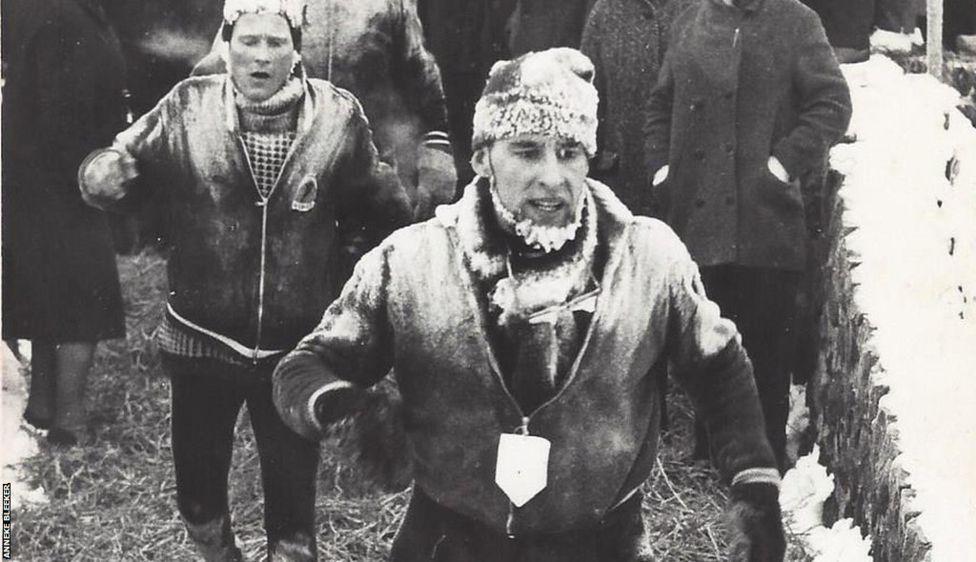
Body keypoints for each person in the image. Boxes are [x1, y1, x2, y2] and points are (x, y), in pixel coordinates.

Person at [273, 48, 785, 561]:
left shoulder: (647, 258)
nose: (552, 175)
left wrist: (755, 490)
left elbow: (720, 370)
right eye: (526, 151)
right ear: (481, 157)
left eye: (569, 151)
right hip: (448, 542)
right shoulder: (412, 262)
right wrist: (344, 408)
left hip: (602, 544)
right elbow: (304, 367)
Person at [77, 0, 413, 559]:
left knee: (292, 508)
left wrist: (350, 276)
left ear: (297, 50)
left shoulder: (337, 117)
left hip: (295, 351)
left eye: (275, 43)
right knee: (198, 500)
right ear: (226, 44)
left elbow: (383, 210)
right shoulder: (186, 106)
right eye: (248, 41)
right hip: (200, 340)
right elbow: (125, 160)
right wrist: (104, 175)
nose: (261, 56)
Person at [645, 0, 852, 471]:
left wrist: (780, 166)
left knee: (765, 355)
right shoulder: (691, 20)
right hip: (699, 220)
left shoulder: (797, 22)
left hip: (764, 222)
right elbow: (660, 104)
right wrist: (662, 169)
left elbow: (833, 104)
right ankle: (710, 457)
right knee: (706, 345)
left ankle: (762, 467)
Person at [193, 0, 456, 219]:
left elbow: (419, 71)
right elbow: (218, 68)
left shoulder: (390, 3)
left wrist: (437, 148)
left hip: (369, 180)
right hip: (281, 179)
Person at [1, 0, 129, 446]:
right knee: (82, 295)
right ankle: (70, 421)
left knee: (45, 289)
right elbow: (63, 109)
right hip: (64, 178)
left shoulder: (54, 10)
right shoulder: (65, 17)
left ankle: (42, 406)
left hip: (35, 176)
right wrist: (92, 167)